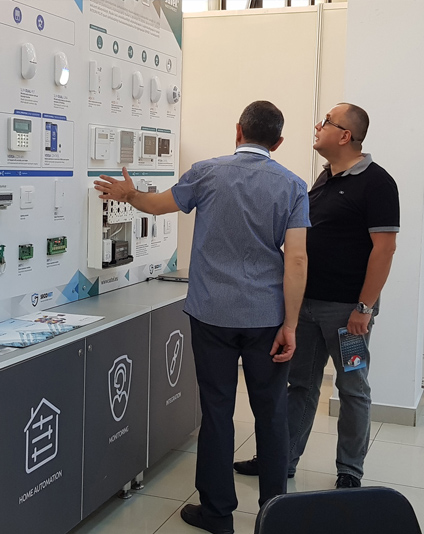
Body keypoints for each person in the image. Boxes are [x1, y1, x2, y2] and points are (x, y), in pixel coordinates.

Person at [94, 100, 309, 534]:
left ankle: (217, 513)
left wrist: (128, 194)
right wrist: (290, 324)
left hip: (212, 313)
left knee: (216, 409)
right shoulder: (293, 185)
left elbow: (157, 206)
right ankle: (275, 513)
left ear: (238, 130)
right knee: (272, 413)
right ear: (279, 142)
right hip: (266, 317)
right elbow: (297, 259)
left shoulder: (207, 172)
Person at [234, 103, 399, 489]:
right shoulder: (325, 178)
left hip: (347, 313)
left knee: (352, 388)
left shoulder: (378, 183)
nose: (317, 126)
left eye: (326, 122)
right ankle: (282, 460)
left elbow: (385, 249)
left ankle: (349, 472)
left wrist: (364, 308)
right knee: (301, 385)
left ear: (345, 136)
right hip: (306, 307)